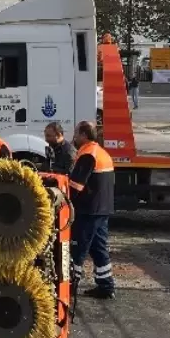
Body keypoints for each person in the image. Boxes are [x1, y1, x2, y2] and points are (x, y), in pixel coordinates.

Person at [68, 120, 116, 299]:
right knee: (98, 248)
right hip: (102, 210)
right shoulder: (101, 152)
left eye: (76, 133)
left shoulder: (88, 154)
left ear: (83, 135)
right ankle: (106, 286)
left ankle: (69, 286)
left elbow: (75, 186)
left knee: (77, 248)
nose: (74, 137)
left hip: (88, 211)